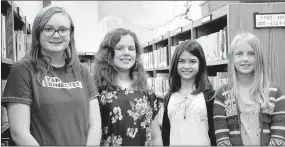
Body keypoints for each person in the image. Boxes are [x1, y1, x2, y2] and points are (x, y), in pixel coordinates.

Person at [2, 6, 101, 146]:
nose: (56, 35)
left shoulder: (82, 71)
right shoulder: (23, 70)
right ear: (37, 33)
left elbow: (95, 126)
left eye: (63, 29)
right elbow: (19, 133)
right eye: (48, 29)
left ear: (70, 34)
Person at [213, 32, 285, 146]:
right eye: (239, 54)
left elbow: (279, 134)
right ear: (232, 57)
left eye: (251, 53)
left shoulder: (275, 93)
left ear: (259, 57)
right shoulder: (222, 94)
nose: (245, 59)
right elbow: (222, 138)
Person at [93, 28, 163, 146]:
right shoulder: (97, 91)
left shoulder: (147, 91)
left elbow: (155, 137)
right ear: (108, 53)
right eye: (119, 48)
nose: (126, 53)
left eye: (131, 49)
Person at [161, 40, 216, 145]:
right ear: (175, 64)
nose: (186, 66)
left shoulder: (210, 96)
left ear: (200, 64)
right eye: (181, 61)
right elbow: (165, 133)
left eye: (192, 61)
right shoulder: (168, 97)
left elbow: (214, 133)